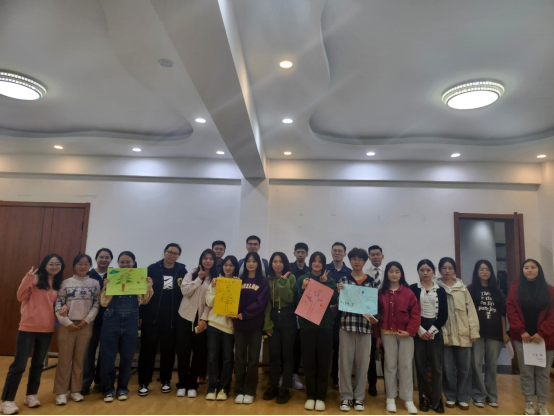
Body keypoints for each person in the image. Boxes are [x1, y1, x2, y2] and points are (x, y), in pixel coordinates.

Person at [0, 255, 65, 416]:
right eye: (51, 263)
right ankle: (7, 400)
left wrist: (65, 307)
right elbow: (20, 297)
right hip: (28, 327)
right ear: (44, 265)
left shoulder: (59, 284)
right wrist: (27, 278)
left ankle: (31, 395)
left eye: (57, 264)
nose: (54, 266)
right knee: (19, 365)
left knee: (38, 364)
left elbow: (58, 304)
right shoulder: (34, 279)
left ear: (61, 267)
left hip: (47, 328)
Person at [100, 252, 154, 403]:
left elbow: (144, 301)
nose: (125, 265)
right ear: (118, 263)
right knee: (108, 358)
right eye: (122, 262)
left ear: (133, 262)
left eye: (128, 262)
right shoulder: (111, 277)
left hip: (131, 321)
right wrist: (106, 287)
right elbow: (103, 303)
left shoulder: (139, 278)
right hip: (111, 321)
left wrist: (148, 285)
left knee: (127, 357)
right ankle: (108, 390)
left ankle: (123, 389)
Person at [138, 244, 187, 397]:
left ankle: (166, 380)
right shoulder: (152, 268)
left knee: (168, 351)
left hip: (172, 319)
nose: (172, 255)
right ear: (164, 252)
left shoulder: (182, 270)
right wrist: (140, 315)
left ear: (178, 256)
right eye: (170, 252)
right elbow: (142, 293)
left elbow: (185, 293)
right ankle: (144, 382)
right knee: (147, 351)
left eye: (175, 253)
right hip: (151, 318)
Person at [507, 259, 554, 416]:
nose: (529, 270)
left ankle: (541, 404)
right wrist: (521, 331)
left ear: (538, 270)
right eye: (526, 267)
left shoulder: (550, 290)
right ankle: (528, 403)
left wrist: (542, 333)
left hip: (545, 339)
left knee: (543, 373)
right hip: (523, 339)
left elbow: (552, 315)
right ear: (522, 271)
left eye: (533, 267)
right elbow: (511, 311)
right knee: (526, 372)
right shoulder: (515, 289)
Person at [53, 254, 100, 406]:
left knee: (80, 360)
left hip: (86, 325)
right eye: (80, 263)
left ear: (90, 266)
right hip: (67, 326)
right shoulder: (65, 283)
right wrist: (67, 323)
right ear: (74, 266)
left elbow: (97, 304)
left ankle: (75, 390)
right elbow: (58, 305)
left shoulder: (95, 283)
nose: (83, 266)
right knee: (65, 360)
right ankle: (61, 392)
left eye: (86, 264)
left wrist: (87, 320)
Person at [294, 252, 338, 412]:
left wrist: (325, 285)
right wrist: (303, 289)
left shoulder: (329, 279)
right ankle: (310, 396)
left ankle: (321, 397)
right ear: (310, 262)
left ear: (324, 264)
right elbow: (295, 302)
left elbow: (334, 300)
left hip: (325, 326)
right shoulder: (303, 279)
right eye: (314, 261)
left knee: (323, 362)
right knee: (308, 362)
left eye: (320, 261)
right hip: (307, 326)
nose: (317, 263)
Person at [375, 261, 420, 415]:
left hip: (405, 335)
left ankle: (408, 399)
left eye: (397, 271)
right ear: (386, 273)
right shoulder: (381, 293)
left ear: (401, 274)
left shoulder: (408, 293)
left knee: (406, 366)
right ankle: (390, 397)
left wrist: (410, 331)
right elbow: (376, 316)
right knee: (390, 366)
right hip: (387, 334)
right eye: (391, 271)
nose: (394, 274)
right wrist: (377, 336)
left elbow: (415, 314)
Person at [336, 248, 379, 413]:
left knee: (363, 365)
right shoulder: (344, 280)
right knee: (345, 364)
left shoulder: (371, 282)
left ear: (364, 261)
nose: (356, 261)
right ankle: (346, 397)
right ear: (350, 261)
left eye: (360, 259)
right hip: (347, 326)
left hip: (365, 328)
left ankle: (359, 397)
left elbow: (374, 307)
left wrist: (375, 317)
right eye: (353, 258)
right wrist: (339, 293)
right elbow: (338, 305)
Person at [437, 257, 480, 411]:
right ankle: (450, 396)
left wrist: (473, 331)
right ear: (440, 270)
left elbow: (471, 311)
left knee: (464, 368)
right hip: (445, 334)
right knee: (447, 368)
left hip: (463, 333)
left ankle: (463, 397)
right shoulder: (436, 287)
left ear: (454, 270)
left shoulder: (463, 289)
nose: (447, 271)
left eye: (450, 268)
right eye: (444, 268)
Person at [468, 260, 509, 409]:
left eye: (487, 269)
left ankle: (492, 396)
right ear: (476, 272)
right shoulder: (470, 289)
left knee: (492, 366)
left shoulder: (498, 291)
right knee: (476, 364)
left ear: (491, 272)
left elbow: (503, 314)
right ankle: (478, 395)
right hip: (476, 333)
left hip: (495, 333)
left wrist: (504, 333)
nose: (485, 272)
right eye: (481, 269)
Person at [176, 249, 216, 399]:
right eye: (205, 258)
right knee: (183, 353)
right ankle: (182, 384)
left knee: (199, 354)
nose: (208, 261)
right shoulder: (192, 273)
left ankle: (192, 384)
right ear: (201, 259)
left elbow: (211, 302)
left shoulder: (215, 277)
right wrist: (199, 278)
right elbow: (185, 291)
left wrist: (203, 320)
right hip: (185, 317)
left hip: (202, 320)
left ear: (214, 261)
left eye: (211, 258)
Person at [410, 260, 448, 414]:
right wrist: (420, 331)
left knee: (436, 367)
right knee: (420, 366)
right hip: (418, 327)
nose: (425, 273)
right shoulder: (413, 288)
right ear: (418, 272)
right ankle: (424, 398)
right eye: (422, 270)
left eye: (428, 270)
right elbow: (410, 311)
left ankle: (437, 400)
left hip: (435, 329)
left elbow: (444, 315)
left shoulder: (441, 290)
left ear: (433, 271)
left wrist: (431, 331)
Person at [234, 252, 270, 405]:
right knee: (239, 358)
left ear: (258, 264)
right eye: (248, 261)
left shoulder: (263, 281)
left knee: (254, 359)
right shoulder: (239, 280)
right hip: (239, 325)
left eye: (254, 261)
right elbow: (232, 299)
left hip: (255, 325)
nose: (250, 263)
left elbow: (261, 303)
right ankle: (239, 390)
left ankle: (250, 391)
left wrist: (245, 314)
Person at [264, 252, 297, 405]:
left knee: (287, 355)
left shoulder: (291, 278)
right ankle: (273, 386)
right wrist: (267, 324)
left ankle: (285, 388)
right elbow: (267, 304)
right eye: (275, 261)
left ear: (285, 263)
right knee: (274, 354)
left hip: (288, 317)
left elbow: (289, 298)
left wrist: (283, 283)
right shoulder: (268, 280)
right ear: (271, 264)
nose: (278, 264)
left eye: (280, 261)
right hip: (273, 318)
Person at [205, 256, 240, 401]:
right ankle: (212, 387)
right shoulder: (216, 281)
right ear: (222, 266)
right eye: (226, 265)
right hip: (213, 324)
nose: (228, 267)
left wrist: (237, 287)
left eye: (231, 265)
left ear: (235, 267)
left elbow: (240, 304)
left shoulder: (238, 283)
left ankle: (224, 388)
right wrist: (214, 287)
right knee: (212, 357)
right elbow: (209, 302)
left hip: (229, 327)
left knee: (227, 358)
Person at [82, 248, 113, 395]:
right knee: (88, 352)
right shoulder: (88, 275)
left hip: (110, 319)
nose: (104, 260)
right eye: (101, 257)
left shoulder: (115, 275)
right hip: (90, 319)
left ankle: (100, 382)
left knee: (105, 352)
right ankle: (84, 383)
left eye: (107, 257)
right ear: (96, 259)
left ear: (111, 260)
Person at [326, 242, 352, 390]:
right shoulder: (324, 270)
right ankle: (322, 378)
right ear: (331, 252)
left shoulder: (349, 273)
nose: (337, 253)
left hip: (341, 316)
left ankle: (336, 379)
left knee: (338, 347)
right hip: (324, 314)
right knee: (324, 347)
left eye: (340, 251)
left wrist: (338, 305)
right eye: (334, 250)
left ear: (344, 254)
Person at [289, 242, 310, 392]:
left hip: (305, 314)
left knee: (299, 346)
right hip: (289, 311)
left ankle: (295, 374)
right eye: (298, 252)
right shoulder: (288, 268)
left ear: (307, 254)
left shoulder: (309, 272)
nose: (300, 254)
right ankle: (286, 375)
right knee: (287, 345)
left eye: (303, 252)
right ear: (294, 253)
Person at [366, 245, 385, 397]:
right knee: (371, 354)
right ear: (369, 257)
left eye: (377, 254)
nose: (375, 257)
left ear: (382, 256)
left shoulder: (390, 273)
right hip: (370, 319)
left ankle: (389, 386)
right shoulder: (365, 274)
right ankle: (372, 384)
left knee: (387, 355)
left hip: (386, 319)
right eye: (372, 254)